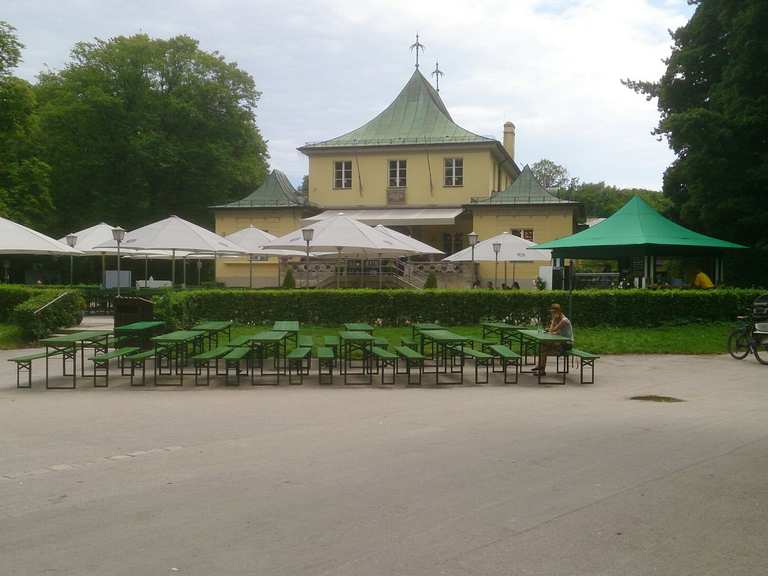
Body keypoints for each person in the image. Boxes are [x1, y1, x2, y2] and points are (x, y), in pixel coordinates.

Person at [532, 303, 573, 375]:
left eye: (553, 313)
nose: (552, 314)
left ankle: (541, 370)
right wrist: (551, 329)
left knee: (543, 348)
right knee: (542, 345)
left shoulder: (564, 321)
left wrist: (553, 320)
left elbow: (552, 330)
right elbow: (556, 332)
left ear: (558, 312)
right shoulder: (559, 319)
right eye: (552, 313)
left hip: (567, 344)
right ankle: (540, 367)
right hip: (561, 341)